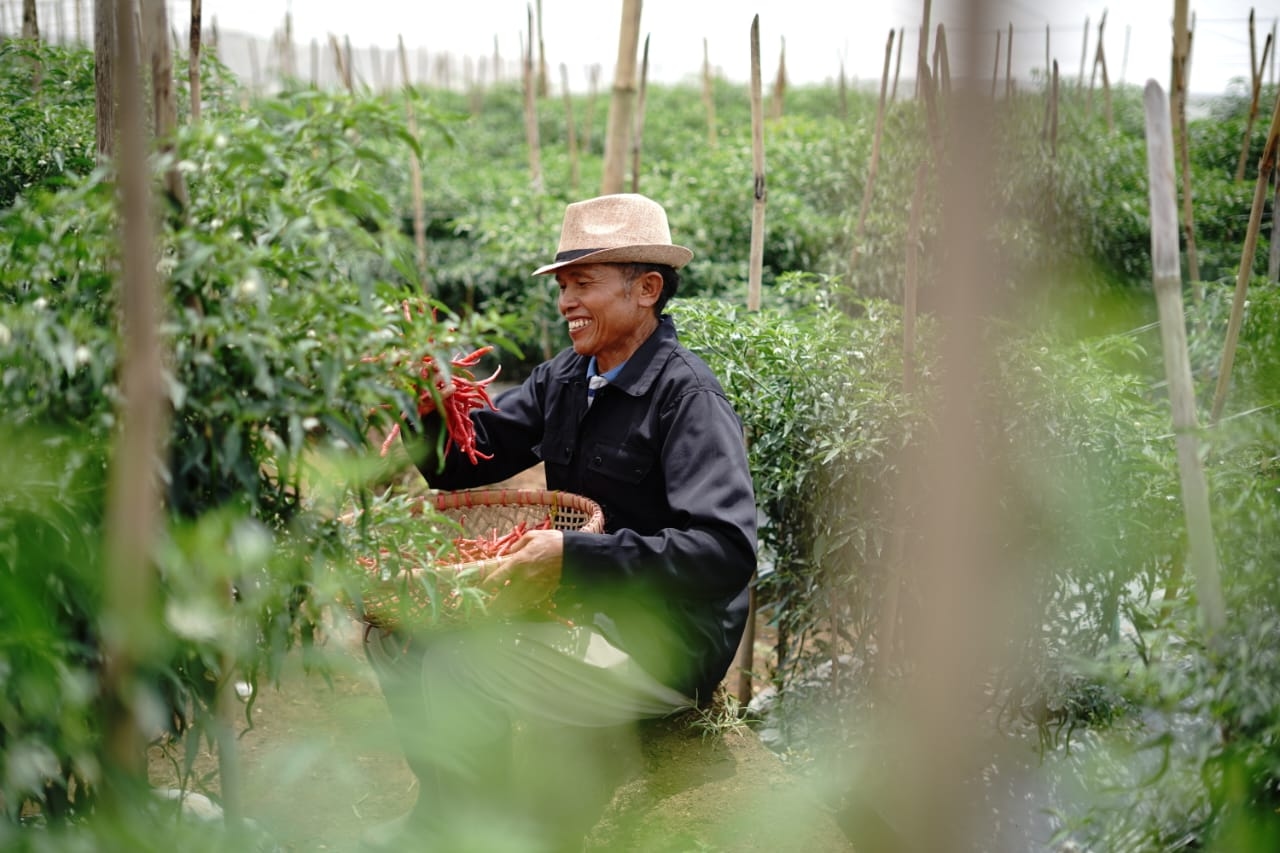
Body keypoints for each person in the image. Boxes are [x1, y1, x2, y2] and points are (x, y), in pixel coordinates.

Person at [363, 193, 757, 851]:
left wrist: (573, 557)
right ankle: (443, 814)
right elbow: (468, 459)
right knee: (396, 635)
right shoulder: (571, 375)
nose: (566, 301)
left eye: (583, 284)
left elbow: (723, 550)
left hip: (658, 642)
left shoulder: (687, 397)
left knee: (460, 663)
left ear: (647, 289)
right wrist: (426, 392)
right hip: (577, 607)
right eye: (563, 285)